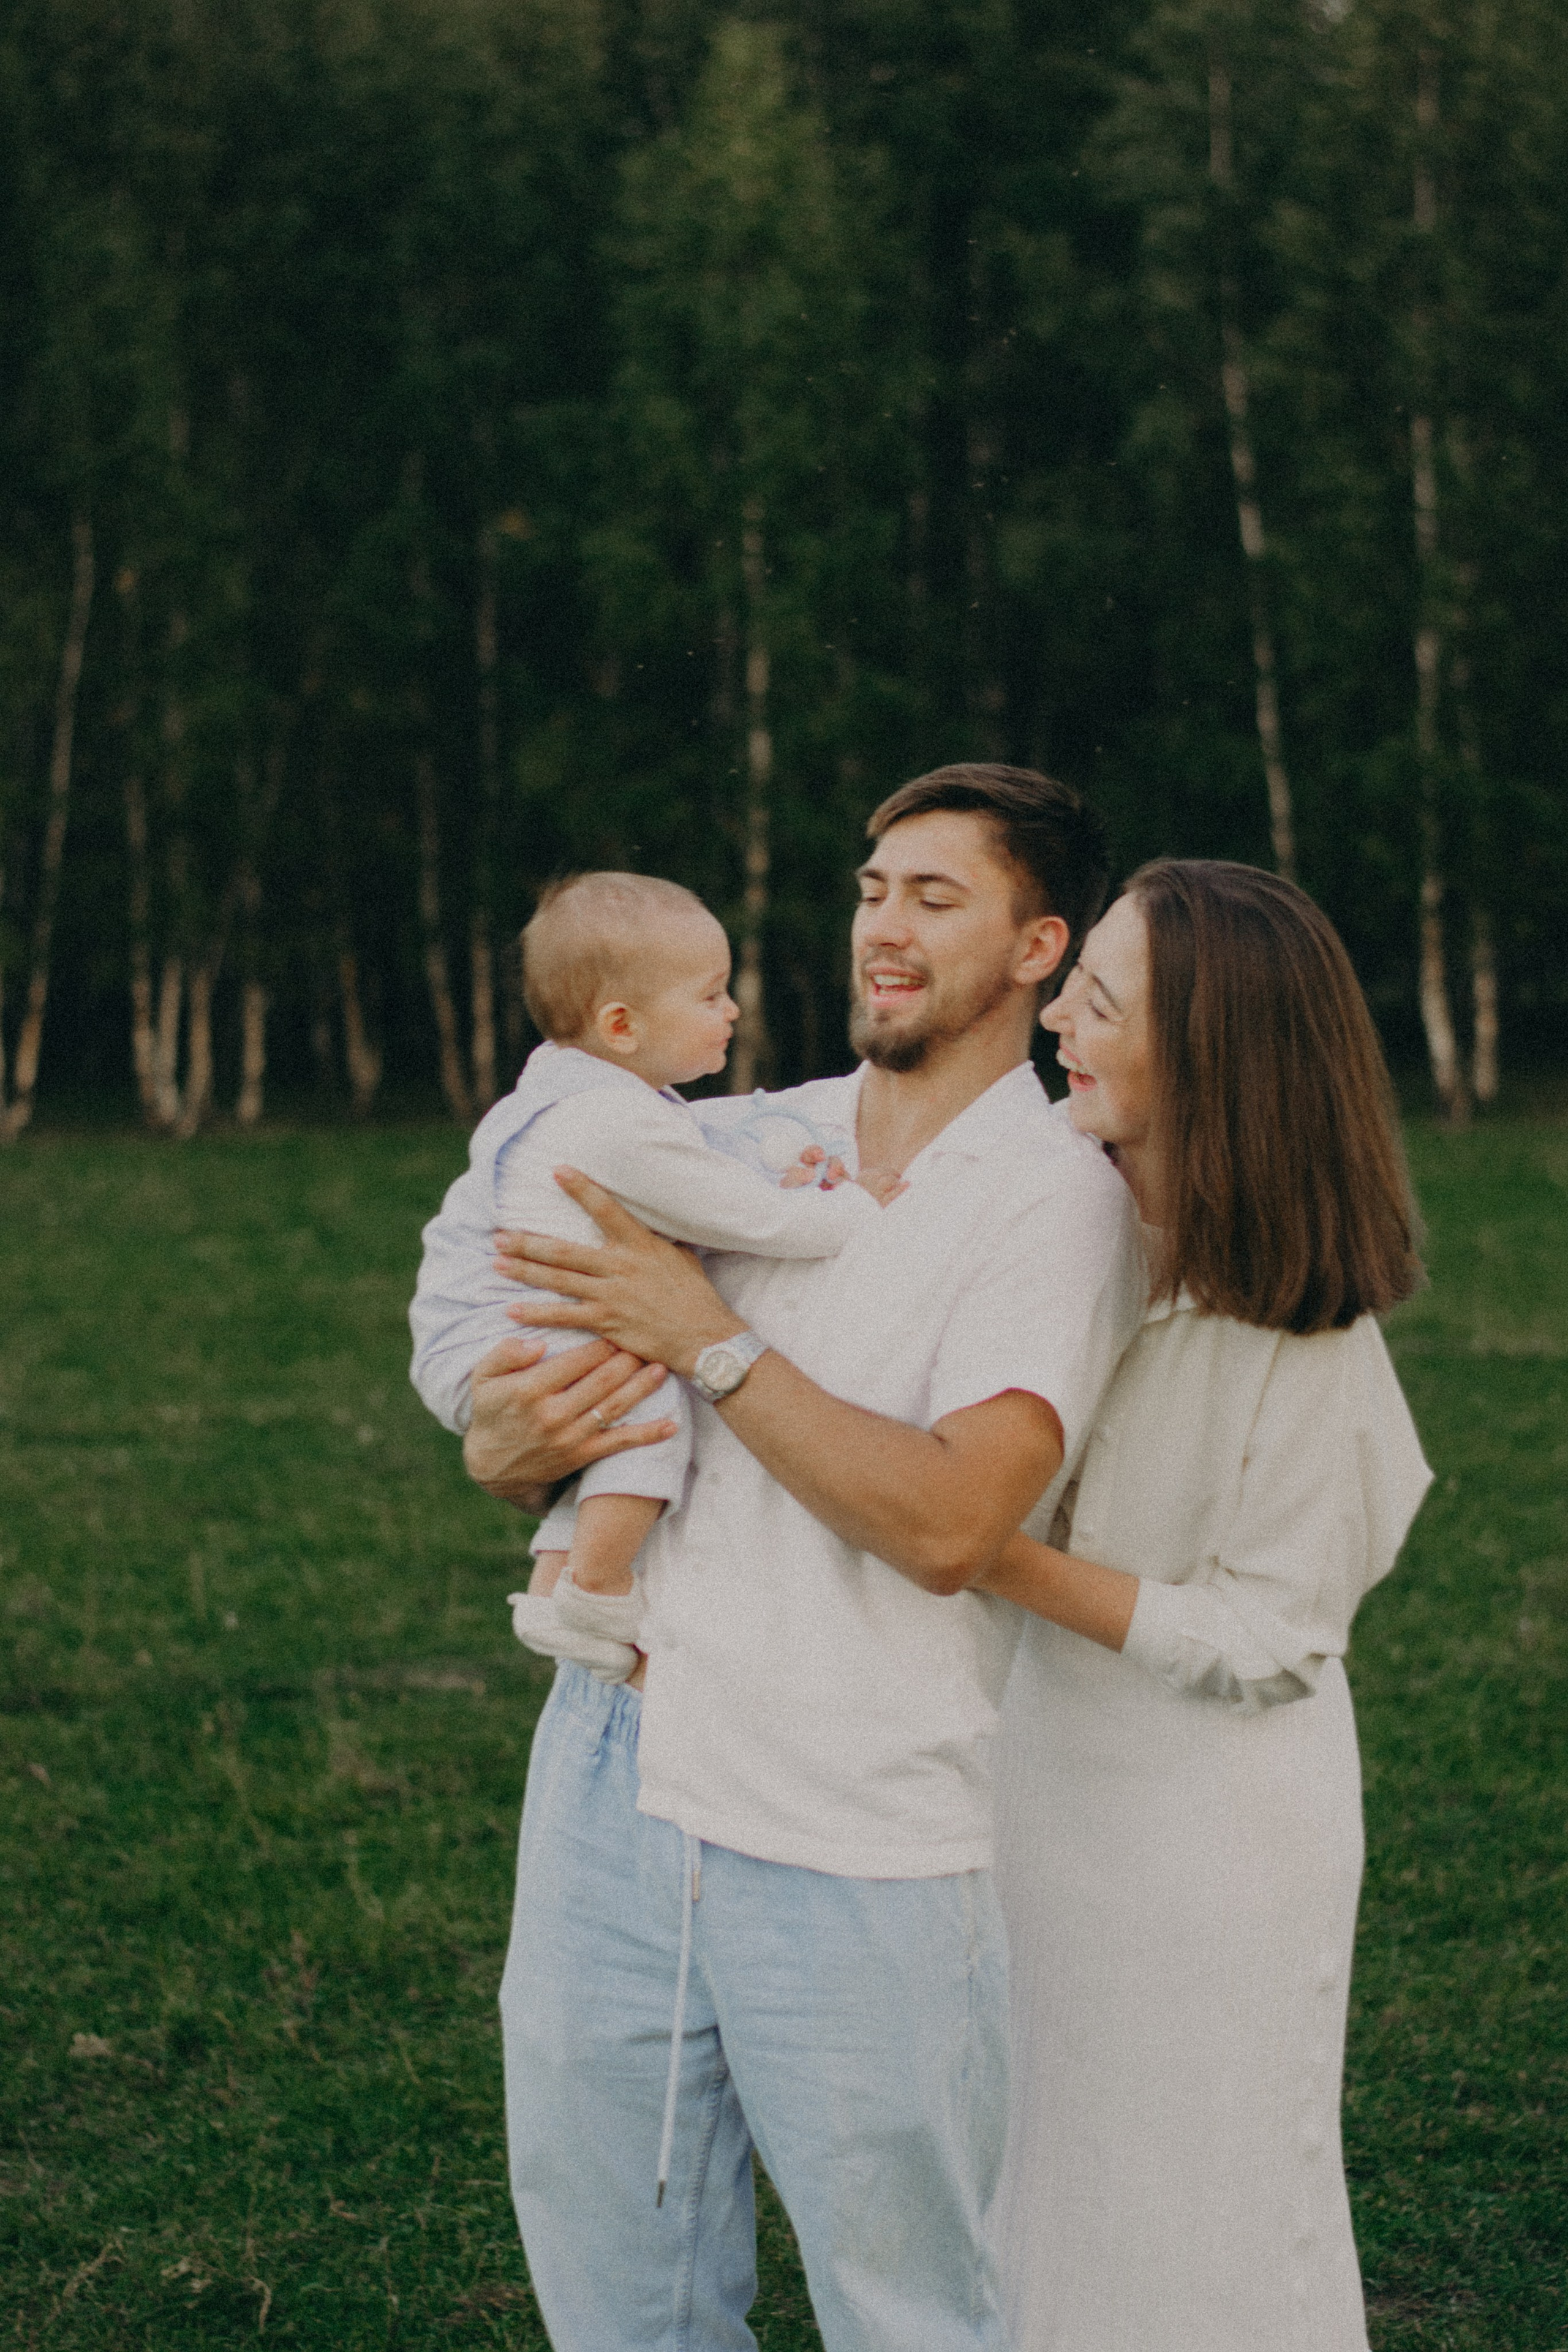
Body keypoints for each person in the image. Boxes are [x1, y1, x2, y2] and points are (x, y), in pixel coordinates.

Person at [411, 765, 1145, 2352]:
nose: (882, 926)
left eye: (934, 898)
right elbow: (547, 1392)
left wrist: (716, 1344)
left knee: (907, 2314)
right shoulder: (734, 1136)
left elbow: (958, 1523)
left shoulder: (1059, 1202)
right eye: (874, 889)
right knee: (621, 2296)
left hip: (856, 1817)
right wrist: (501, 1440)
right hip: (621, 1768)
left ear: (1040, 948)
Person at [968, 859, 1433, 2351]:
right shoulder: (1046, 1214)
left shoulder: (1308, 1333)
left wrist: (990, 1552)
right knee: (1036, 2171)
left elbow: (1269, 1640)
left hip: (1213, 1836)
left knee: (1200, 2199)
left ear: (1213, 1055)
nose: (1054, 1019)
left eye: (1100, 999)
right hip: (1031, 1783)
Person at [417, 869, 897, 1678]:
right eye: (711, 996)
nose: (733, 1010)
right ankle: (599, 1593)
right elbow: (750, 1219)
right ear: (622, 1025)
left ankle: (550, 1586)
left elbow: (710, 1191)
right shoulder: (611, 1121)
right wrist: (859, 1208)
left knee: (620, 1400)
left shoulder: (591, 1098)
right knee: (651, 1409)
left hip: (487, 1335)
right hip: (507, 1343)